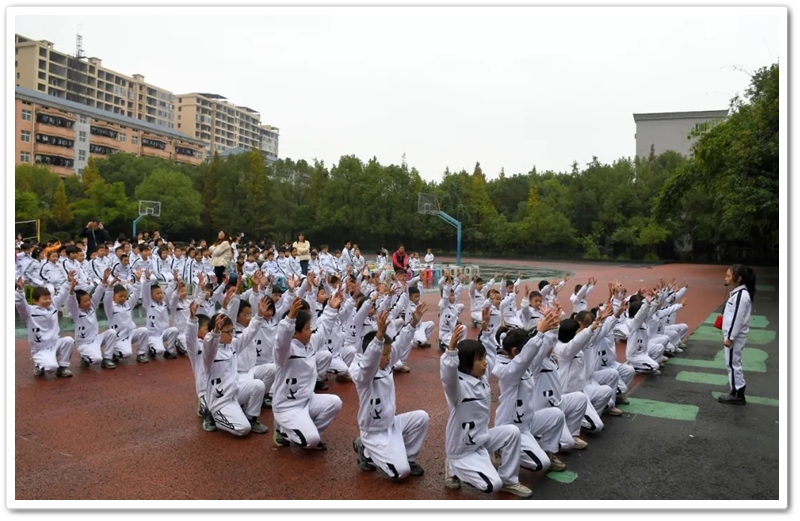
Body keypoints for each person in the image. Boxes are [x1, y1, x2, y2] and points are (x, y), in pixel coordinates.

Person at [440, 324, 532, 497]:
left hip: (481, 439)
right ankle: (453, 465)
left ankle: (509, 481)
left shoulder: (481, 378)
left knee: (512, 432)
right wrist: (451, 352)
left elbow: (490, 353)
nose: (485, 362)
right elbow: (448, 376)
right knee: (492, 485)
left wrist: (487, 331)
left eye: (483, 358)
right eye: (479, 359)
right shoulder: (457, 389)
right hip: (462, 449)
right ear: (466, 364)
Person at [350, 308, 430, 479]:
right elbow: (368, 365)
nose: (388, 357)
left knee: (422, 417)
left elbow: (399, 345)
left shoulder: (385, 364)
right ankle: (366, 451)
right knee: (400, 473)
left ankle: (409, 458)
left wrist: (413, 324)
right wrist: (378, 338)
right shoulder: (361, 372)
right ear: (372, 353)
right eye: (384, 354)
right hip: (373, 432)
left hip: (391, 423)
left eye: (388, 354)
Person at [272, 296, 344, 450]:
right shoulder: (285, 351)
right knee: (311, 441)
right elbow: (281, 341)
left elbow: (324, 329)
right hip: (287, 407)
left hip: (306, 400)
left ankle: (308, 431)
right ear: (295, 333)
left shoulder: (309, 344)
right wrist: (289, 320)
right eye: (307, 328)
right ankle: (282, 431)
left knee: (335, 402)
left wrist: (332, 309)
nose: (310, 331)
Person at [15, 276, 74, 377]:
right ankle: (38, 366)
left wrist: (68, 282)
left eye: (49, 298)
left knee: (69, 340)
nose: (48, 301)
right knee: (51, 367)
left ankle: (62, 368)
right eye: (45, 299)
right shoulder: (29, 311)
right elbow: (20, 304)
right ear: (35, 301)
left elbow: (62, 294)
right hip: (40, 349)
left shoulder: (53, 306)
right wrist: (20, 291)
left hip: (54, 343)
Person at [718, 265, 756, 405]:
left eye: (729, 276)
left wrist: (730, 337)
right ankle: (735, 390)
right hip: (733, 335)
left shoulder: (741, 295)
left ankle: (738, 393)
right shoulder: (738, 294)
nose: (726, 278)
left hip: (735, 337)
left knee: (733, 364)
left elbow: (737, 319)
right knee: (732, 363)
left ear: (738, 278)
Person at [66, 269, 118, 369]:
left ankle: (107, 358)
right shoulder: (76, 312)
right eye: (85, 301)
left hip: (96, 339)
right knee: (96, 360)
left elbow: (97, 294)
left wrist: (104, 280)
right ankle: (84, 357)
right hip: (84, 343)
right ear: (78, 304)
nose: (88, 302)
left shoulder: (92, 306)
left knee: (112, 332)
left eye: (88, 300)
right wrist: (72, 290)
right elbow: (72, 302)